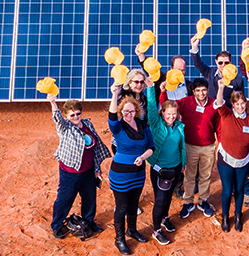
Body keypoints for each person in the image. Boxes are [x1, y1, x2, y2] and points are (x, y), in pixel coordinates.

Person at [192, 35, 249, 207]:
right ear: (216, 63)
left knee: (235, 151)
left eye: (226, 62)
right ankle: (198, 184)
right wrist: (194, 48)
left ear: (230, 63)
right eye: (220, 62)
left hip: (227, 121)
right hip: (209, 119)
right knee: (203, 148)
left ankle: (245, 190)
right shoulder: (208, 73)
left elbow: (241, 100)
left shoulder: (236, 79)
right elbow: (198, 63)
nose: (223, 65)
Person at [48, 95, 110, 240]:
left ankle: (89, 221)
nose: (76, 117)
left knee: (90, 198)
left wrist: (96, 169)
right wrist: (52, 102)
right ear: (66, 116)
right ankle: (57, 226)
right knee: (64, 199)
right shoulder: (65, 128)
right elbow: (57, 119)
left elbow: (93, 149)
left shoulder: (87, 124)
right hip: (70, 172)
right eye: (72, 115)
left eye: (78, 113)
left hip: (88, 171)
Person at [108, 73, 155, 255]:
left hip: (138, 174)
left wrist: (143, 157)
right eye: (125, 111)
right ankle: (119, 239)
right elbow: (112, 115)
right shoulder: (118, 127)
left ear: (136, 111)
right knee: (121, 207)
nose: (129, 114)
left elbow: (151, 147)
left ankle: (132, 230)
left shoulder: (143, 126)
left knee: (134, 203)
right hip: (120, 175)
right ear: (121, 112)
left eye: (132, 111)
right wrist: (114, 94)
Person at [144, 77, 186, 245]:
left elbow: (182, 147)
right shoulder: (156, 124)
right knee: (160, 199)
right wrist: (150, 88)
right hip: (159, 169)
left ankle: (164, 218)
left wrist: (183, 164)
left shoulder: (179, 126)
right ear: (163, 114)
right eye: (168, 114)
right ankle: (156, 230)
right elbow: (152, 107)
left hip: (175, 167)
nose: (171, 117)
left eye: (174, 114)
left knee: (168, 196)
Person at [212, 75, 249, 232]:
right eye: (237, 104)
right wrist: (221, 88)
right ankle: (225, 216)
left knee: (239, 189)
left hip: (244, 161)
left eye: (243, 103)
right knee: (226, 190)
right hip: (226, 160)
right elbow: (218, 103)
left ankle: (238, 215)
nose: (241, 106)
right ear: (232, 104)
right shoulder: (226, 114)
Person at [176, 76, 219, 219]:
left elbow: (219, 125)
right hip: (190, 146)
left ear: (208, 90)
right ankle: (188, 202)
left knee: (206, 176)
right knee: (189, 176)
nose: (201, 94)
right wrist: (163, 92)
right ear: (193, 91)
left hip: (208, 146)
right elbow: (167, 106)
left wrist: (220, 143)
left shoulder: (214, 104)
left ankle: (203, 201)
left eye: (204, 90)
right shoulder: (185, 102)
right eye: (198, 91)